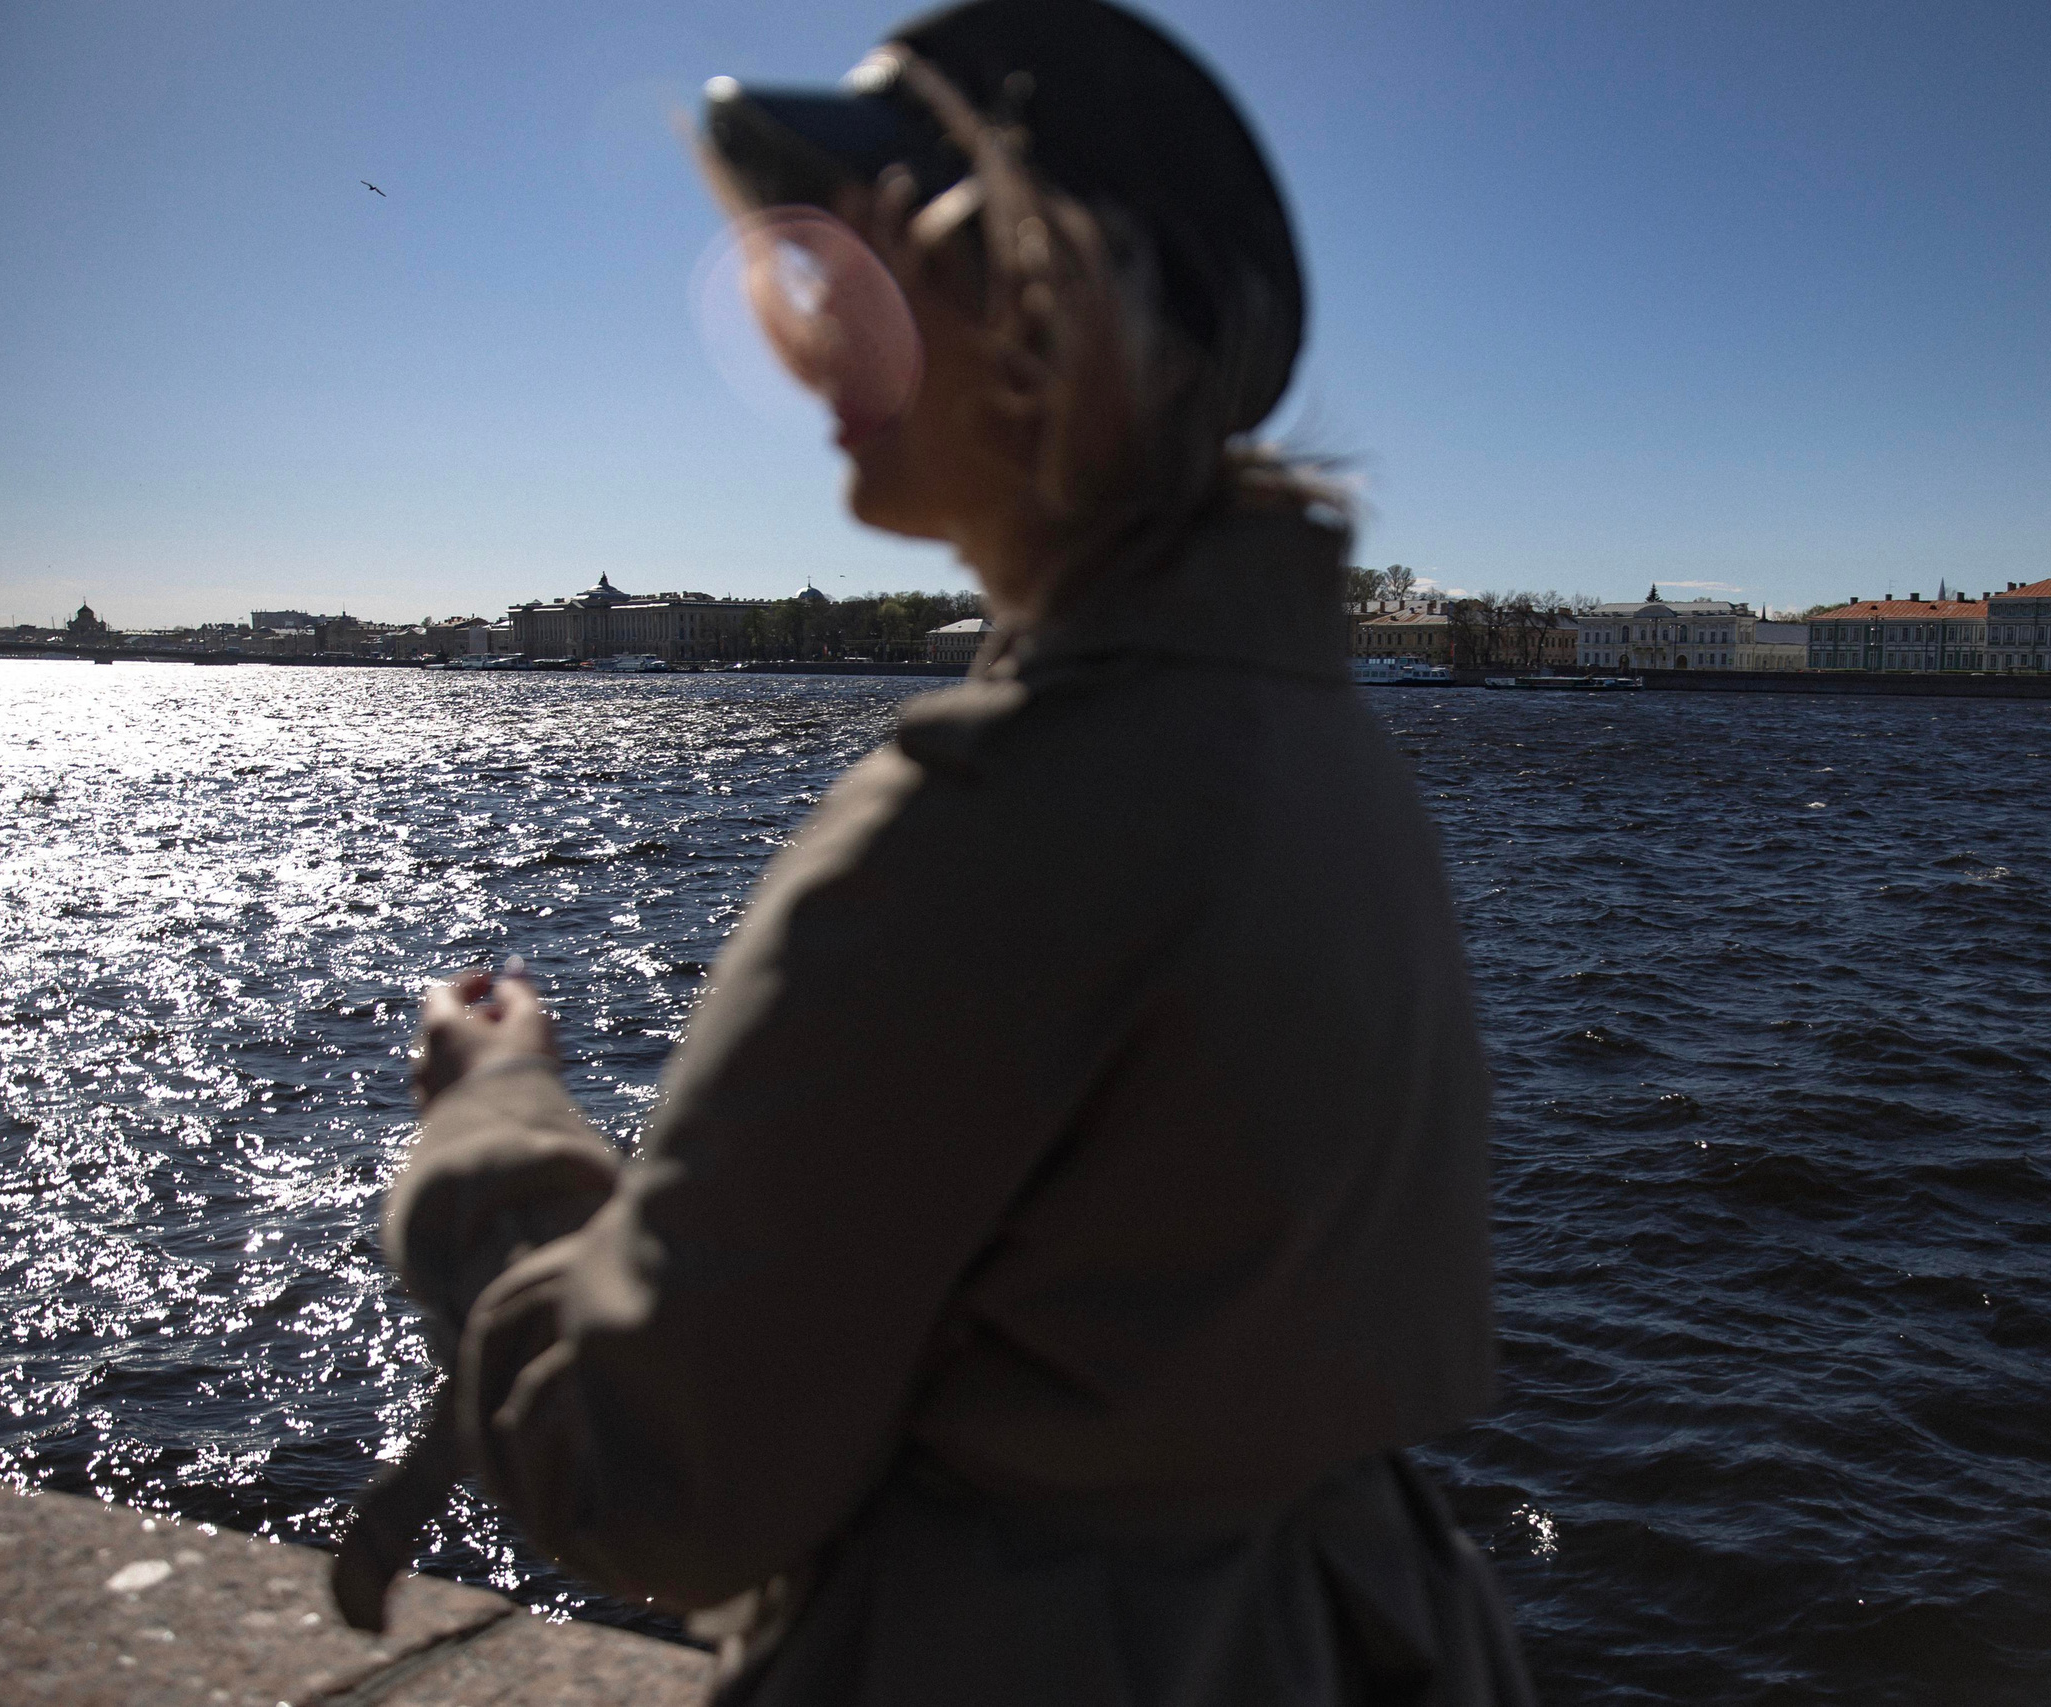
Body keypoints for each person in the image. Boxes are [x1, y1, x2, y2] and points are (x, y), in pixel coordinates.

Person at [376, 2, 1534, 1701]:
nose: (821, 332)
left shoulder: (1005, 809)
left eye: (877, 269)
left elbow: (654, 1477)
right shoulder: (1314, 748)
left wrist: (494, 1120)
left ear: (1056, 310)